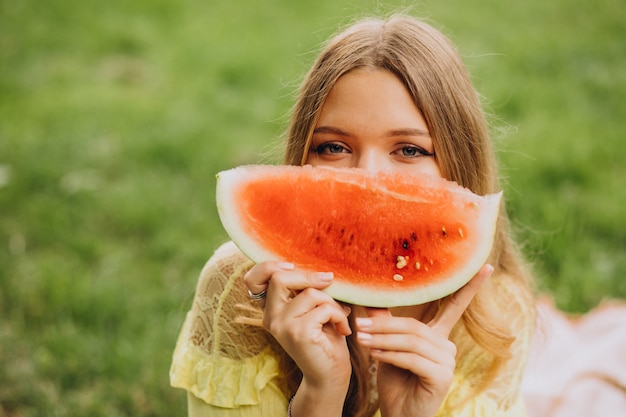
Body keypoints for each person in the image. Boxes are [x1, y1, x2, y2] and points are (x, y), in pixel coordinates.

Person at [170, 14, 536, 417]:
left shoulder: (498, 319)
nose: (369, 180)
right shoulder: (238, 290)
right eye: (334, 147)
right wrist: (321, 394)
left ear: (458, 165)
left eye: (410, 150)